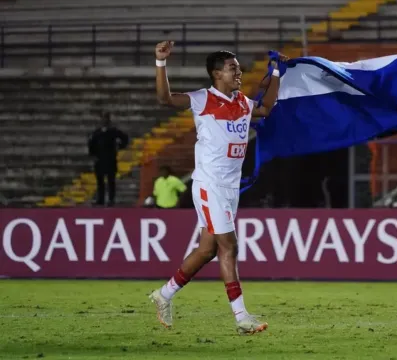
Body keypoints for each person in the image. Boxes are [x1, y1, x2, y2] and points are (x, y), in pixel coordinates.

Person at [148, 40, 286, 335]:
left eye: (238, 68)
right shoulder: (202, 99)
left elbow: (266, 108)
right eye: (232, 68)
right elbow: (165, 99)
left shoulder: (242, 103)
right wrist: (160, 63)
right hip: (209, 184)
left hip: (230, 188)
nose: (239, 72)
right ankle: (241, 318)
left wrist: (276, 73)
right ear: (216, 74)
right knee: (230, 246)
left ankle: (164, 294)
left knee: (207, 250)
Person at [88, 112, 129, 206]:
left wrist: (120, 146)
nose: (104, 121)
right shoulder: (97, 133)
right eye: (102, 119)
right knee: (100, 181)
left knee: (111, 181)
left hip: (110, 159)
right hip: (99, 160)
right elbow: (91, 144)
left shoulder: (113, 131)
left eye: (106, 119)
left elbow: (124, 138)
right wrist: (93, 155)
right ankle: (100, 199)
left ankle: (111, 199)